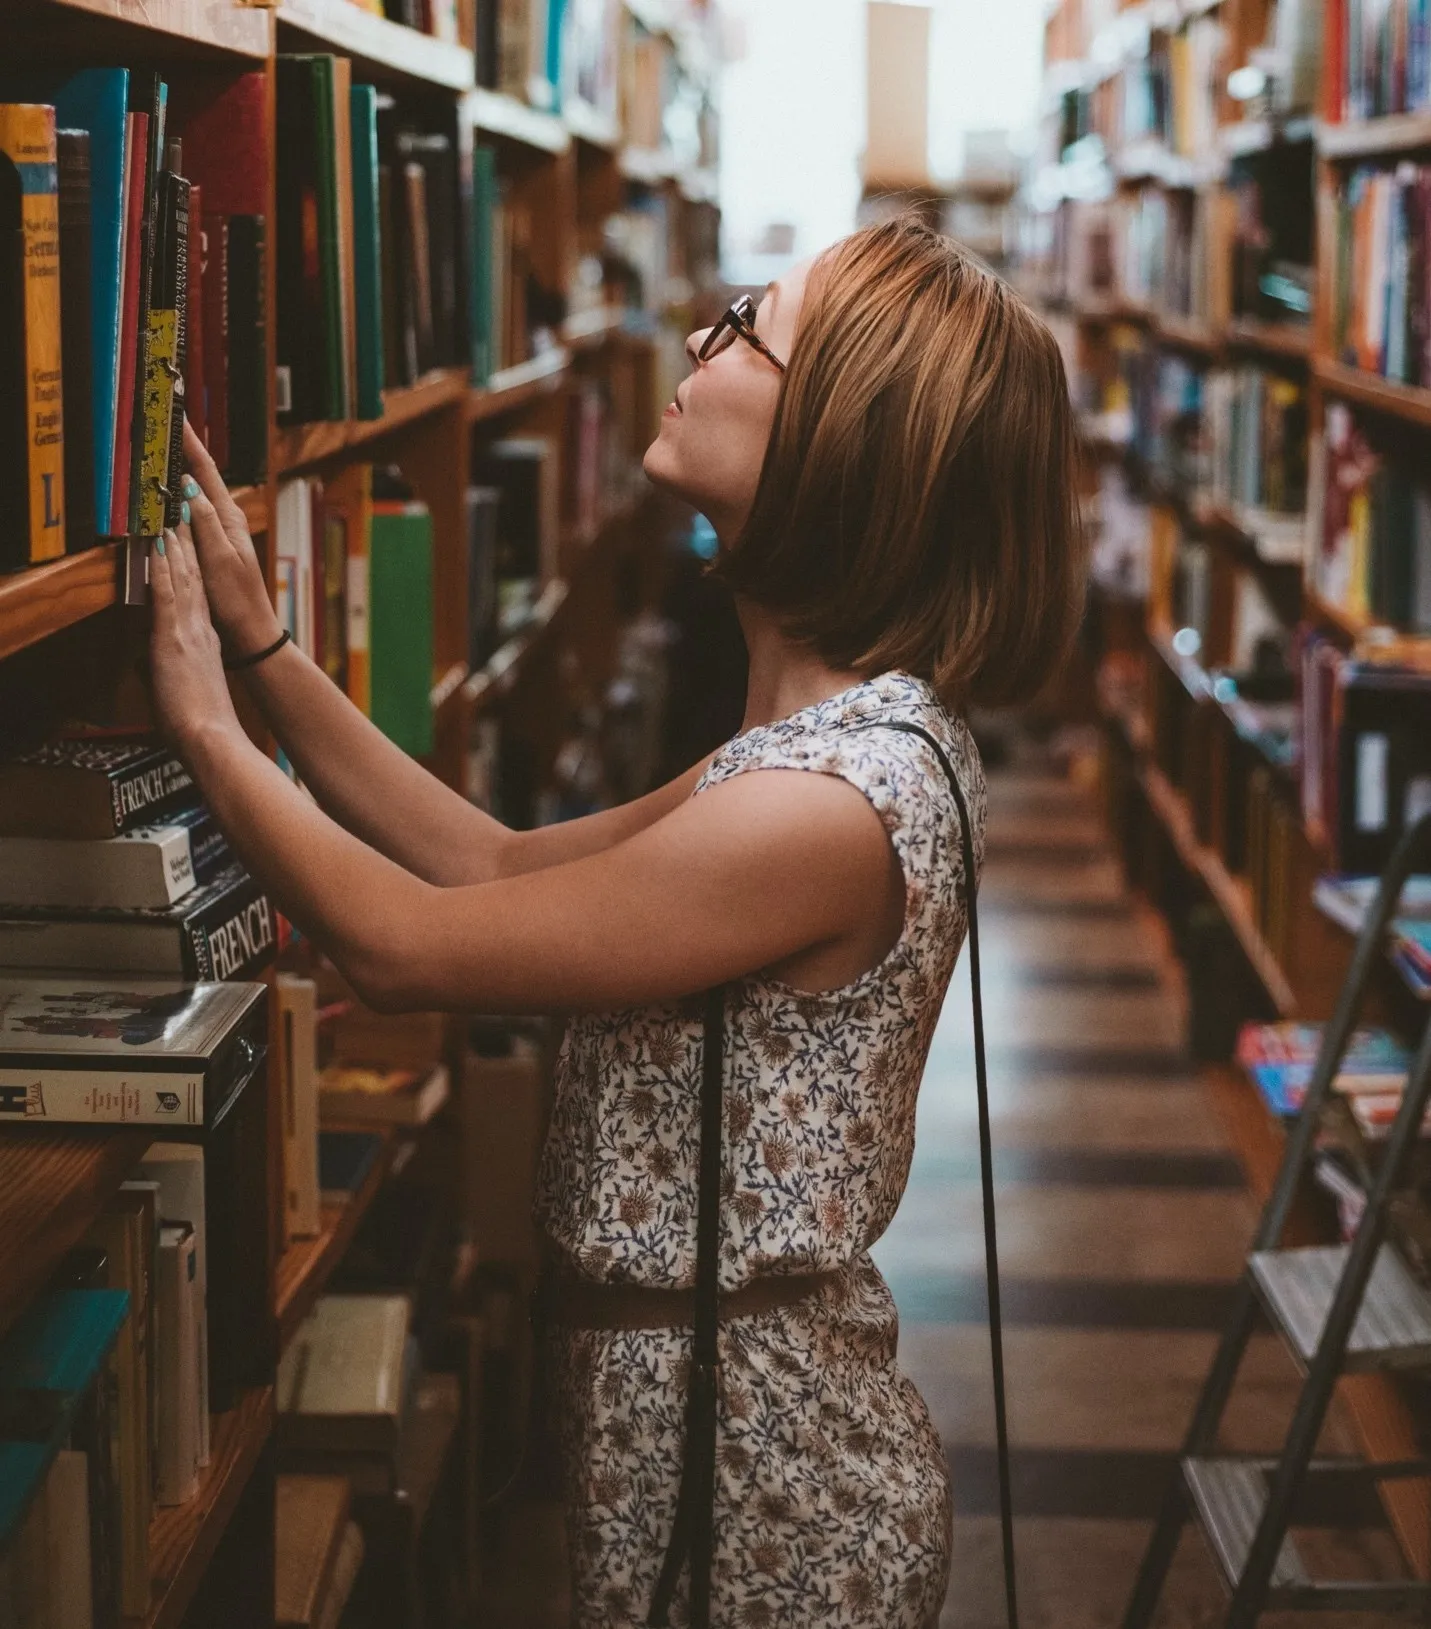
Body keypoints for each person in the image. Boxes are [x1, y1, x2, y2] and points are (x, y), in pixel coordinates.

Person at [150, 213, 1085, 1628]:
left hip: (767, 1484)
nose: (697, 341)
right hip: (695, 1430)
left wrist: (203, 730)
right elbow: (490, 864)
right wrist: (268, 659)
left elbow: (403, 950)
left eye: (744, 325)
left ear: (838, 442)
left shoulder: (827, 803)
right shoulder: (825, 741)